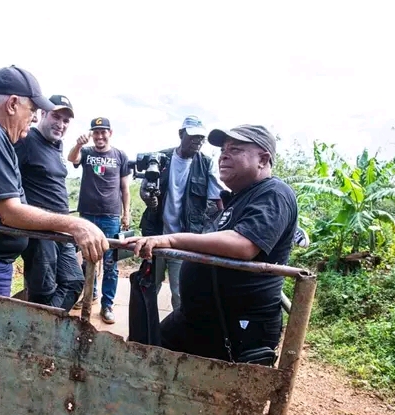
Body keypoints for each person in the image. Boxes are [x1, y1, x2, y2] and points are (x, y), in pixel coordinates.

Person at [124, 124, 298, 363]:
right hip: (198, 319)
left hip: (238, 328)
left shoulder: (275, 193)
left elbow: (243, 244)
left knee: (218, 395)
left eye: (235, 149)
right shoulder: (239, 197)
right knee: (146, 356)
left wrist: (171, 239)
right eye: (223, 149)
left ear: (263, 159)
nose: (224, 155)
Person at [0, 66, 108, 297]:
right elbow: (10, 212)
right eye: (33, 109)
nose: (34, 117)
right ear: (13, 103)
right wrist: (75, 224)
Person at [138, 115, 225, 310]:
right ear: (181, 134)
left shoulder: (206, 164)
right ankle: (145, 333)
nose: (198, 141)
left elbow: (218, 201)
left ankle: (177, 336)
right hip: (155, 236)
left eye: (201, 138)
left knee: (181, 293)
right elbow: (144, 189)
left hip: (184, 240)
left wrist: (218, 234)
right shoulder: (159, 158)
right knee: (149, 287)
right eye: (193, 136)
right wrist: (147, 198)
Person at [14, 95, 84, 311]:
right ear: (43, 113)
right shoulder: (26, 140)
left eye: (65, 121)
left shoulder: (57, 146)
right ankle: (38, 335)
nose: (60, 124)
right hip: (40, 230)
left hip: (62, 229)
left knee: (74, 281)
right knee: (43, 291)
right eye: (56, 116)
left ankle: (45, 327)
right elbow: (10, 179)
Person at [67, 117, 131, 324]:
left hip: (111, 215)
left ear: (110, 133)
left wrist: (126, 213)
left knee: (110, 263)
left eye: (103, 132)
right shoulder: (86, 152)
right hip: (88, 215)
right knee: (88, 259)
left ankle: (107, 304)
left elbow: (125, 189)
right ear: (92, 134)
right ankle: (90, 294)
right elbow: (71, 159)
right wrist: (78, 143)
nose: (100, 136)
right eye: (96, 132)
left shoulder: (120, 155)